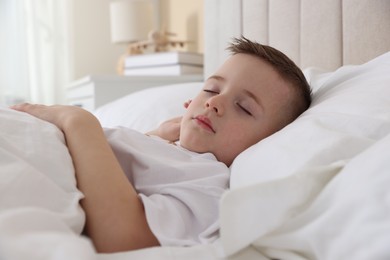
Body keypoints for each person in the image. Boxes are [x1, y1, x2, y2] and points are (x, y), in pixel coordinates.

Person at [11, 36, 311, 253]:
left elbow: (125, 237)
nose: (215, 102)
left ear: (268, 141)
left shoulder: (208, 182)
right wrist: (156, 135)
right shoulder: (167, 147)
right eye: (210, 88)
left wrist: (78, 120)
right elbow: (129, 162)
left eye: (244, 107)